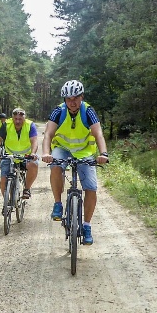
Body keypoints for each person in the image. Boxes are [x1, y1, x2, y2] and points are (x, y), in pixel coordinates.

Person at [41, 80, 109, 245]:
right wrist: (46, 153)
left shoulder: (88, 111)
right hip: (62, 149)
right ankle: (58, 204)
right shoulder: (59, 111)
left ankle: (87, 226)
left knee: (91, 188)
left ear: (82, 97)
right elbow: (48, 134)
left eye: (76, 98)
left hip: (84, 151)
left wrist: (103, 154)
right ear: (64, 99)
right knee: (55, 166)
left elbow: (98, 134)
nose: (72, 102)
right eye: (68, 98)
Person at [0, 107, 39, 200]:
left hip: (25, 156)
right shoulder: (7, 125)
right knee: (3, 180)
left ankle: (27, 189)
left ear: (24, 118)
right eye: (15, 119)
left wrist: (33, 153)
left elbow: (34, 141)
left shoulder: (30, 125)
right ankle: (6, 202)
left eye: (20, 119)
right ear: (12, 118)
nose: (17, 121)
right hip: (9, 155)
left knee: (34, 165)